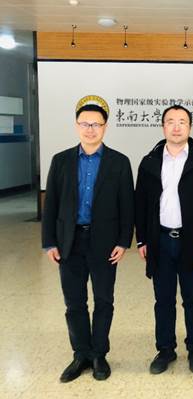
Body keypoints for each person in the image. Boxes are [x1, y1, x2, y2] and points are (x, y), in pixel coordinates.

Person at [42, 99, 134, 382]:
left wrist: (123, 241)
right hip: (69, 242)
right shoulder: (60, 160)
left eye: (96, 124)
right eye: (85, 123)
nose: (90, 129)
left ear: (105, 127)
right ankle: (80, 353)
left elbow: (127, 206)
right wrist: (49, 242)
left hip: (104, 243)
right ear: (76, 126)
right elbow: (51, 204)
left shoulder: (119, 162)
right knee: (74, 302)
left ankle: (99, 354)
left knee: (104, 300)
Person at [135, 104, 193, 374]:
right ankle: (165, 349)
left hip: (191, 240)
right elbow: (140, 204)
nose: (176, 126)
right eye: (170, 121)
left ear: (190, 127)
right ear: (163, 127)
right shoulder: (149, 161)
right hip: (159, 240)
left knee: (192, 296)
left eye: (182, 121)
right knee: (163, 299)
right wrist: (142, 240)